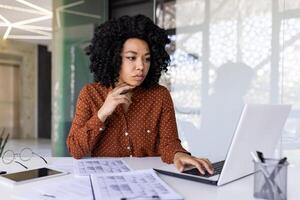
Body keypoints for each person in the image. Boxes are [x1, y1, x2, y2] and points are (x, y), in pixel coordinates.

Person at [66, 14, 213, 175]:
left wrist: (179, 155)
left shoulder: (159, 96)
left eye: (147, 59)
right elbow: (75, 149)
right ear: (114, 58)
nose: (141, 66)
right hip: (107, 180)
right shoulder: (90, 94)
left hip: (150, 179)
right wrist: (102, 113)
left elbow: (169, 143)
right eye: (131, 58)